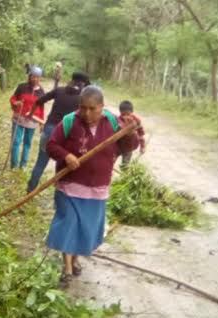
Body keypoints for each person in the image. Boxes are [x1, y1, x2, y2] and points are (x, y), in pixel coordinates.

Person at [45, 86, 139, 288]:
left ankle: (75, 259)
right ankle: (67, 268)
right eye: (83, 108)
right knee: (68, 225)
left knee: (84, 229)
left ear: (102, 107)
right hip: (68, 186)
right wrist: (66, 155)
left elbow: (128, 148)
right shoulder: (70, 121)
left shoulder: (114, 123)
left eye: (92, 109)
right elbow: (51, 145)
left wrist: (130, 134)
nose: (87, 113)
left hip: (96, 190)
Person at [26, 72, 90, 193]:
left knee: (41, 162)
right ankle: (60, 193)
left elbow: (38, 101)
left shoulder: (59, 90)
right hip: (67, 135)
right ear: (83, 85)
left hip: (50, 129)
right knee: (64, 165)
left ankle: (30, 190)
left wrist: (30, 114)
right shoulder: (82, 99)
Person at [9, 66, 45, 169]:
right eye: (33, 77)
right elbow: (13, 98)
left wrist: (42, 122)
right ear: (29, 77)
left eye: (37, 77)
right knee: (16, 142)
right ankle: (14, 165)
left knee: (27, 143)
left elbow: (42, 109)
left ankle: (23, 165)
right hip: (19, 118)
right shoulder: (22, 87)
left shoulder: (41, 92)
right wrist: (16, 103)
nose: (35, 79)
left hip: (32, 121)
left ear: (40, 78)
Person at [118, 100, 145, 168]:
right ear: (120, 112)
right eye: (123, 115)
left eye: (128, 114)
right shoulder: (118, 120)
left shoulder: (136, 121)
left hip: (129, 146)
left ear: (132, 112)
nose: (126, 117)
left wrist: (142, 147)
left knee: (125, 165)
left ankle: (124, 176)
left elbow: (141, 135)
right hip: (118, 145)